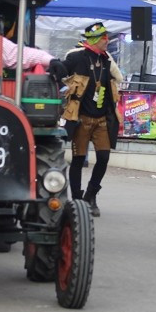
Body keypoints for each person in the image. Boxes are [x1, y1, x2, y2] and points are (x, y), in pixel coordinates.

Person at [61, 22, 122, 217]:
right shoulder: (77, 57)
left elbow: (117, 79)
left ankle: (91, 196)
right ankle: (78, 201)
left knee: (103, 158)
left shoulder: (106, 61)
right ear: (96, 39)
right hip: (81, 119)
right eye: (105, 38)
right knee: (78, 160)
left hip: (102, 120)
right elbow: (60, 71)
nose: (108, 40)